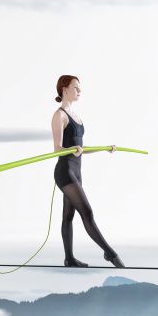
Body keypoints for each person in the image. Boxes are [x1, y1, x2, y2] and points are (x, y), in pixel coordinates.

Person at [51, 75, 125, 268]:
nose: (79, 91)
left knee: (68, 216)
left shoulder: (77, 116)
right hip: (65, 172)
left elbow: (81, 147)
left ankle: (69, 259)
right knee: (87, 212)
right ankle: (110, 253)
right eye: (76, 87)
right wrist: (71, 150)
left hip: (76, 171)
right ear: (64, 89)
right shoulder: (59, 115)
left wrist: (104, 148)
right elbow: (57, 149)